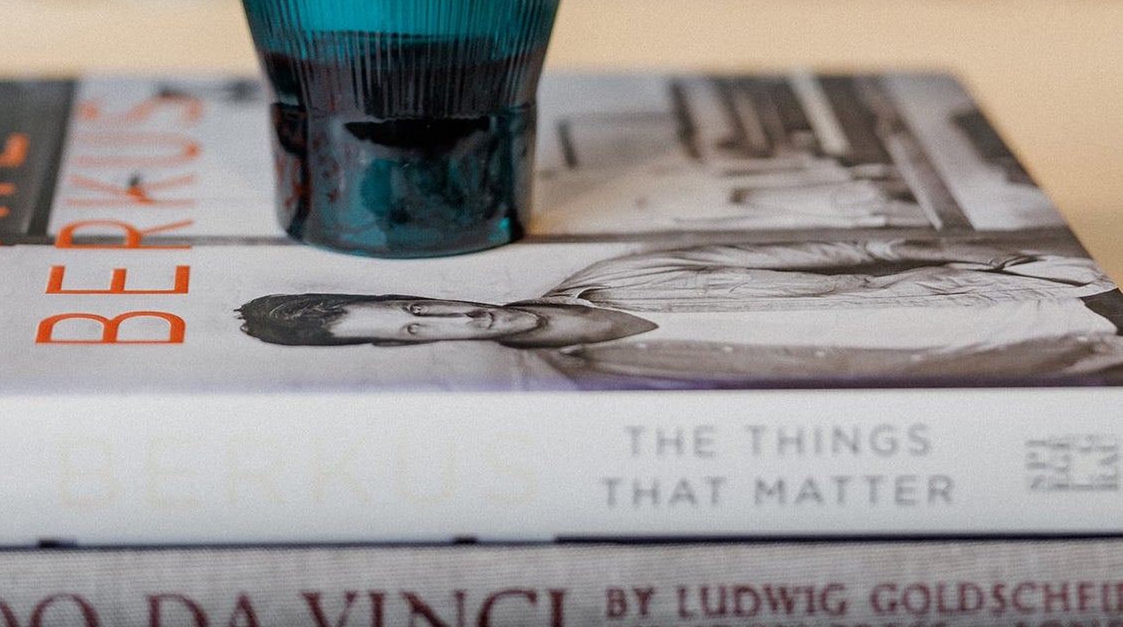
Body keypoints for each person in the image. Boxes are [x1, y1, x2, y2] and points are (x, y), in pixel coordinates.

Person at [239, 236, 1123, 383]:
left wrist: (1015, 264)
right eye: (407, 334)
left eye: (411, 305)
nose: (446, 321)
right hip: (1065, 370)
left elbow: (847, 253)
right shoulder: (619, 380)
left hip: (1047, 292)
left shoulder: (627, 267)